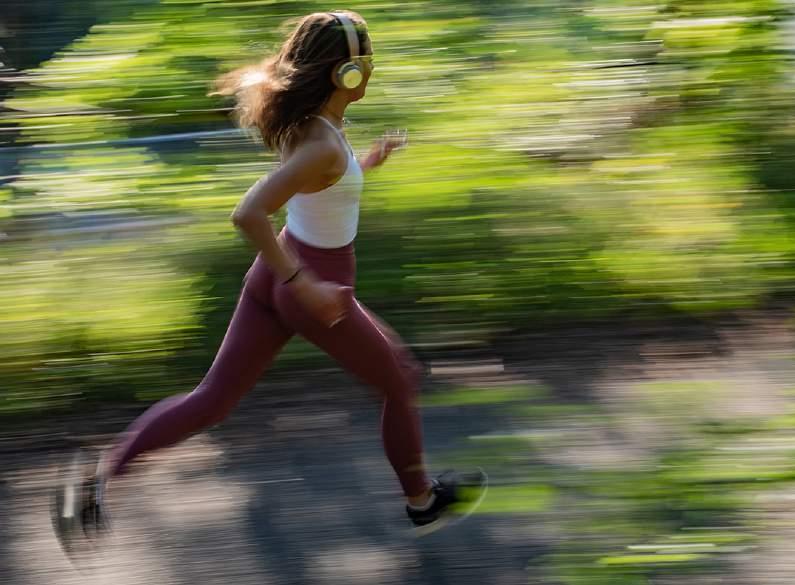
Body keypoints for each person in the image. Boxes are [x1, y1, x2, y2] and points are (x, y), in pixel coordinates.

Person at [53, 10, 485, 548]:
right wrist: (304, 284)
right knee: (400, 380)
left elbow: (320, 184)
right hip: (311, 284)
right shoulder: (322, 143)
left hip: (274, 272)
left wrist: (365, 165)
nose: (372, 70)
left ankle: (98, 481)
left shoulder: (316, 127)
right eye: (366, 61)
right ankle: (422, 502)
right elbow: (248, 213)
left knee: (212, 399)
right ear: (345, 72)